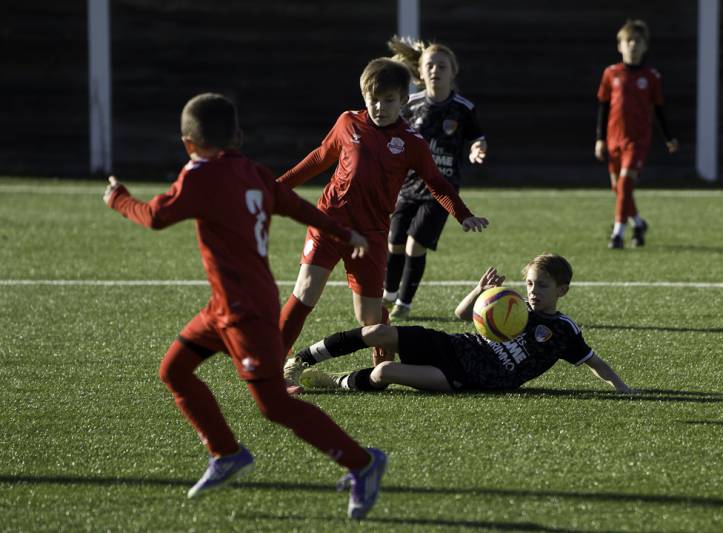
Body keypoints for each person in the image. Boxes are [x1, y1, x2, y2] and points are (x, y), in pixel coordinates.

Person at [102, 93, 386, 519]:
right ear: (238, 135)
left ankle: (362, 463)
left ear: (187, 143)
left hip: (245, 314)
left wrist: (118, 199)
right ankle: (226, 453)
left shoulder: (200, 175)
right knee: (174, 370)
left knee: (275, 406)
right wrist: (342, 232)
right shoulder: (252, 172)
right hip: (224, 306)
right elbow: (293, 205)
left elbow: (155, 216)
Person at [278, 57, 489, 391]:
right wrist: (277, 187)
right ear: (364, 96)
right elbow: (319, 158)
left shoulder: (411, 142)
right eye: (373, 98)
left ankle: (383, 368)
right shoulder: (348, 123)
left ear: (403, 100)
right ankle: (274, 368)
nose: (380, 106)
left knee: (370, 318)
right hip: (329, 222)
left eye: (389, 100)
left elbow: (436, 182)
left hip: (371, 236)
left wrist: (463, 214)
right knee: (305, 291)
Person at [287, 254, 633, 394]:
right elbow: (462, 315)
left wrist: (622, 388)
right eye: (530, 284)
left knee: (383, 374)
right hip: (455, 345)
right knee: (377, 332)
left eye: (541, 286)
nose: (533, 292)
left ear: (562, 290)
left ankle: (338, 382)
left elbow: (593, 361)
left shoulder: (563, 331)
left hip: (469, 378)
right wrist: (479, 292)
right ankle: (301, 360)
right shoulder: (512, 305)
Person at [380, 36, 488, 321]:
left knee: (416, 244)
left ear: (453, 71)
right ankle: (388, 292)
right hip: (408, 185)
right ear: (421, 70)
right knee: (394, 242)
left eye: (442, 66)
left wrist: (478, 147)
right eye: (430, 65)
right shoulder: (411, 104)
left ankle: (403, 302)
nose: (435, 71)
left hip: (442, 188)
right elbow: (393, 134)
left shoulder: (463, 108)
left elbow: (477, 135)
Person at [595, 19, 679, 250]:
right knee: (619, 188)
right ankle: (639, 224)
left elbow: (659, 109)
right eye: (628, 41)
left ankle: (617, 234)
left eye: (637, 41)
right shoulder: (611, 74)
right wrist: (600, 138)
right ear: (620, 46)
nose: (633, 45)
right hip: (613, 139)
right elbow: (603, 106)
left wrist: (669, 137)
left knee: (624, 184)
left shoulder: (651, 76)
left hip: (638, 140)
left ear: (645, 46)